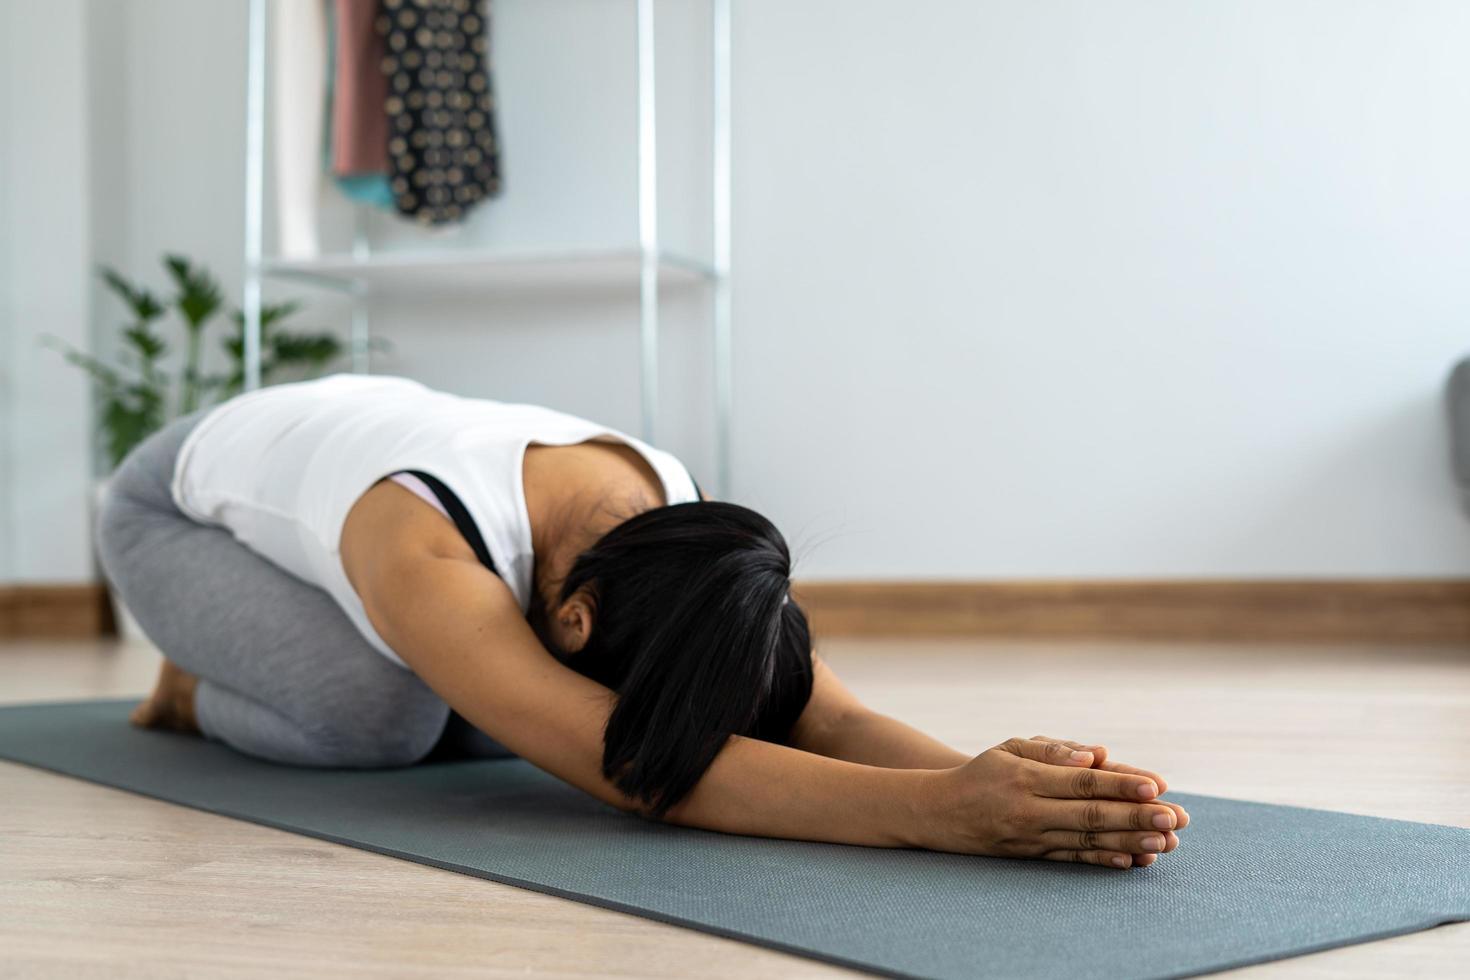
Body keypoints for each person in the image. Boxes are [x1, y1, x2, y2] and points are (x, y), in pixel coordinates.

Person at [99, 374, 1188, 870]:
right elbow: (630, 763)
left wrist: (995, 783)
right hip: (171, 515)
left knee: (480, 712)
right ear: (570, 619)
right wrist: (941, 818)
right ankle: (191, 682)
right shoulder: (429, 546)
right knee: (384, 714)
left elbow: (824, 712)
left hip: (328, 457)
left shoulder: (670, 515)